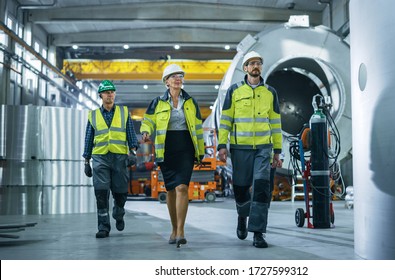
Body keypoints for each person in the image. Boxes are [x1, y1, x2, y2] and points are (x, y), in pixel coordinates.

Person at [218, 51, 282, 248]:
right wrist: (222, 145)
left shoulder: (270, 92)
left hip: (263, 148)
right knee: (241, 188)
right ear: (245, 68)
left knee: (262, 189)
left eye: (259, 63)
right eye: (252, 63)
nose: (256, 66)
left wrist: (277, 150)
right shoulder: (234, 91)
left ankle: (258, 233)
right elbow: (226, 119)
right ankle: (241, 216)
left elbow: (276, 122)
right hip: (240, 149)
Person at [140, 64, 204, 247]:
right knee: (170, 190)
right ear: (166, 82)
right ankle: (174, 228)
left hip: (185, 147)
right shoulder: (157, 103)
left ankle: (181, 231)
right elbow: (148, 121)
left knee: (182, 187)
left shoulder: (191, 102)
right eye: (174, 76)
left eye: (180, 76)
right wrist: (145, 131)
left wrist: (200, 152)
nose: (178, 79)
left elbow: (198, 129)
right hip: (166, 148)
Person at [82, 80, 139, 239]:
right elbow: (88, 139)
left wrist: (133, 152)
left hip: (120, 157)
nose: (110, 95)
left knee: (120, 193)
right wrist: (86, 161)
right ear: (101, 95)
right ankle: (103, 227)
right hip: (100, 158)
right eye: (107, 92)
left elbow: (130, 133)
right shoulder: (93, 115)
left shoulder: (123, 112)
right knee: (101, 193)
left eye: (112, 92)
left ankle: (119, 212)